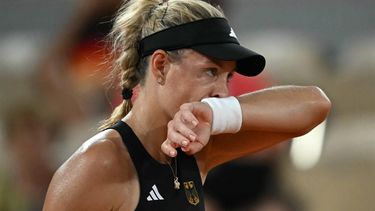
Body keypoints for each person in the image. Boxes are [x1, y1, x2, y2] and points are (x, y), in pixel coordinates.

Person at [42, 0, 331, 210]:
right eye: (210, 71)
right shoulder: (99, 164)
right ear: (161, 66)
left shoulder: (197, 149)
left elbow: (315, 105)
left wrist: (219, 114)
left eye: (227, 76)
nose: (222, 92)